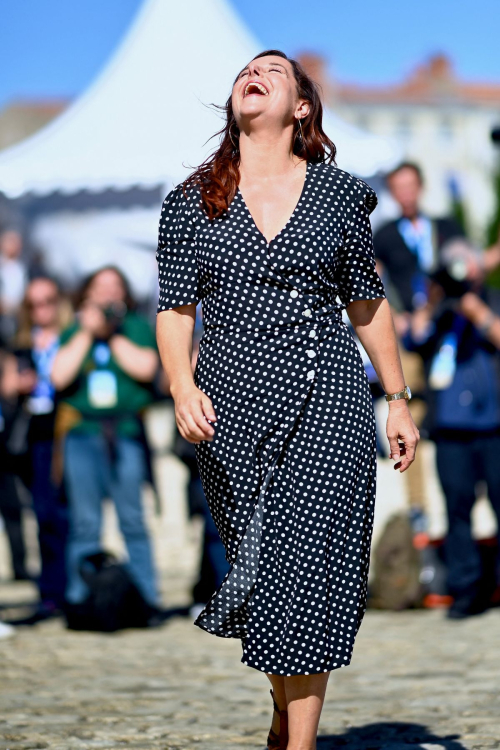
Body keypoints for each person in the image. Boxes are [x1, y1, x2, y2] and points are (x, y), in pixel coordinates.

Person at [156, 50, 419, 750]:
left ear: (301, 107)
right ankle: (284, 708)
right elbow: (175, 312)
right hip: (231, 408)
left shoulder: (338, 194)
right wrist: (182, 385)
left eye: (276, 71)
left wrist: (396, 398)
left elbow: (367, 303)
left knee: (312, 568)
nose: (257, 74)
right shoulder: (190, 201)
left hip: (327, 398)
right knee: (264, 574)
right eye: (248, 69)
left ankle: (298, 743)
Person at [51, 266, 161, 613]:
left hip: (124, 433)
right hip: (83, 434)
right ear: (87, 294)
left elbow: (146, 368)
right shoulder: (73, 331)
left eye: (115, 286)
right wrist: (87, 331)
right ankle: (80, 597)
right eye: (101, 287)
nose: (109, 293)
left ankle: (147, 597)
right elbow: (58, 376)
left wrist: (112, 334)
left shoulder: (136, 328)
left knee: (132, 519)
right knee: (85, 523)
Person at [403, 239, 500, 619]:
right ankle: (465, 590)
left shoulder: (489, 300)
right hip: (450, 430)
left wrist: (477, 313)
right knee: (456, 511)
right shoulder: (439, 310)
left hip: (493, 425)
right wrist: (431, 300)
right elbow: (414, 338)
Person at [15, 277, 73, 613]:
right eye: (33, 304)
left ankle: (74, 586)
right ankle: (50, 589)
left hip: (66, 429)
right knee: (44, 513)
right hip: (34, 432)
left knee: (71, 512)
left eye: (48, 301)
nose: (42, 309)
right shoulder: (20, 344)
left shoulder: (71, 337)